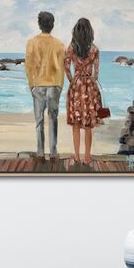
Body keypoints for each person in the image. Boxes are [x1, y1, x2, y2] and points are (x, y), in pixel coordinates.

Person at [25, 12, 65, 163]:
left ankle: (41, 153)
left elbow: (29, 66)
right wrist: (60, 85)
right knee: (53, 119)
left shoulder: (32, 42)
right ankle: (53, 153)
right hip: (54, 85)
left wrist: (31, 84)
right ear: (52, 25)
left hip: (39, 85)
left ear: (39, 24)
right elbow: (61, 67)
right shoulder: (60, 44)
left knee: (39, 120)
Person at [64, 18, 102, 166]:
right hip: (89, 86)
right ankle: (87, 158)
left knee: (75, 123)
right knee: (88, 125)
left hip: (76, 85)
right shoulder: (94, 49)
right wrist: (91, 80)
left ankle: (77, 157)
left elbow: (66, 67)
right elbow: (96, 73)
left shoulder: (71, 48)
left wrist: (72, 80)